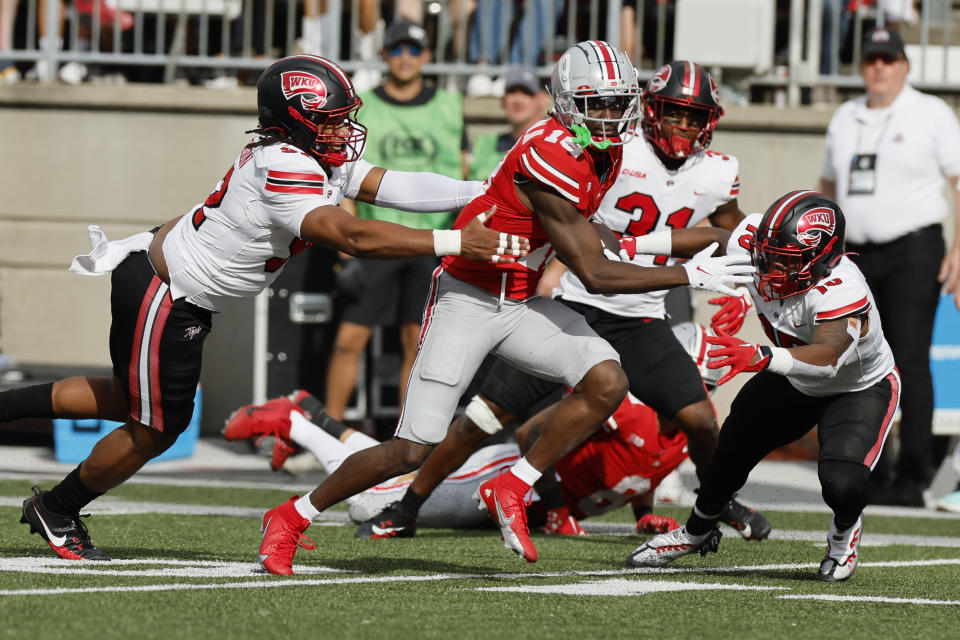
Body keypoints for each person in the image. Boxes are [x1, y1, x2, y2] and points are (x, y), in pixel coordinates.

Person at [254, 41, 755, 575]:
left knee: (606, 380)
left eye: (617, 102)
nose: (609, 116)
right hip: (466, 301)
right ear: (565, 104)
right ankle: (292, 515)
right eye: (597, 104)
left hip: (518, 302)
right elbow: (594, 272)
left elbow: (598, 236)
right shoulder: (552, 152)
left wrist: (696, 248)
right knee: (409, 450)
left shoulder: (604, 152)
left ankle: (512, 485)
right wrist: (688, 273)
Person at [5, 54, 530, 562]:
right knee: (156, 426)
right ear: (295, 121)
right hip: (167, 293)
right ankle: (57, 509)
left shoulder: (308, 153)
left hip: (170, 285)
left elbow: (385, 184)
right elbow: (352, 235)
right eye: (330, 121)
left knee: (132, 400)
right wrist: (456, 241)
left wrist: (483, 188)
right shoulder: (284, 165)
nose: (343, 131)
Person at [627, 191, 900, 583]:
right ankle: (696, 531)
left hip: (858, 387)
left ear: (820, 259)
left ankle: (843, 532)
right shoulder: (759, 243)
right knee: (729, 451)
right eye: (766, 255)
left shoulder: (843, 290)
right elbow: (718, 237)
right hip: (796, 377)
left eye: (784, 261)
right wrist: (633, 245)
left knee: (842, 483)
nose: (768, 267)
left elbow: (827, 357)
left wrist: (760, 355)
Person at [224, 323, 719, 535]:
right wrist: (559, 507)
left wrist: (642, 517)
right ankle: (297, 422)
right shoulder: (630, 407)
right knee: (368, 503)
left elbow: (641, 469)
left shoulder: (690, 438)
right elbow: (530, 434)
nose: (701, 393)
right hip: (508, 479)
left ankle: (308, 412)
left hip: (528, 505)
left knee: (392, 468)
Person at [819, 27, 960, 507]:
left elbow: (959, 182)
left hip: (914, 248)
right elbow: (828, 185)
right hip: (854, 252)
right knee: (855, 361)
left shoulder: (931, 113)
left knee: (910, 361)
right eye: (871, 59)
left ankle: (913, 475)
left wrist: (959, 249)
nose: (879, 67)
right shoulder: (846, 116)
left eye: (888, 58)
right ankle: (867, 468)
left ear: (904, 65)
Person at [325, 19, 469, 423]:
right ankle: (327, 434)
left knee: (416, 343)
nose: (405, 57)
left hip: (430, 240)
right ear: (384, 54)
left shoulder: (448, 106)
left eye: (414, 49)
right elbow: (339, 175)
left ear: (426, 56)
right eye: (398, 49)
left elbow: (460, 170)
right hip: (375, 237)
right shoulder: (363, 105)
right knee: (349, 339)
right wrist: (345, 249)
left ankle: (404, 444)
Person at [467, 65, 550, 182]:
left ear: (543, 99)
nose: (518, 99)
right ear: (503, 100)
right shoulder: (483, 144)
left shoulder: (556, 143)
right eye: (511, 92)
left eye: (527, 92)